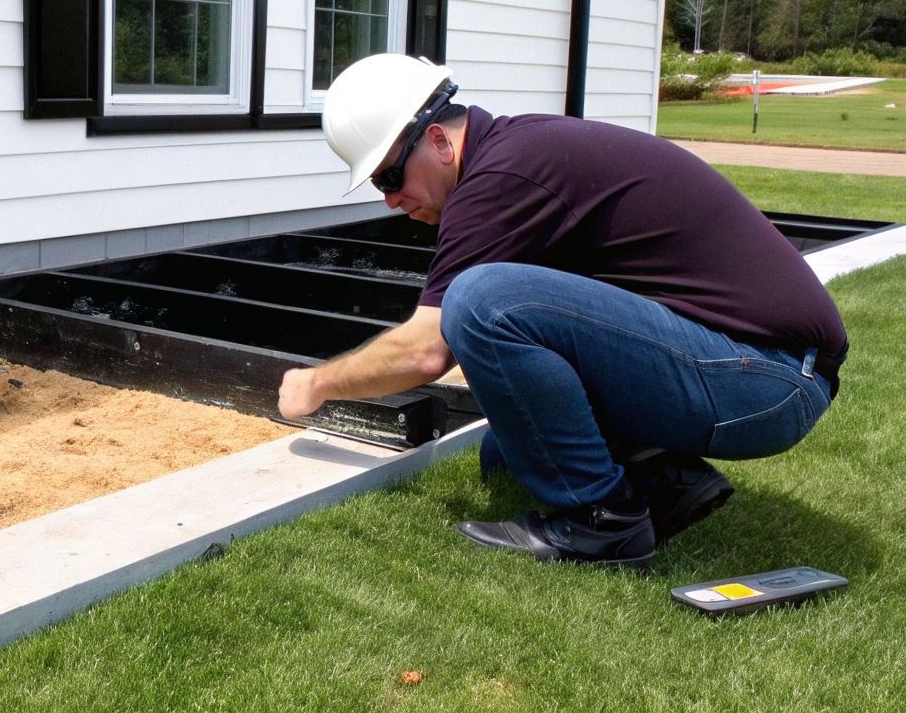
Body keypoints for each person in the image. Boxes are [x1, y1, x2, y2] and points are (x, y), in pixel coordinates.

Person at [278, 54, 847, 568]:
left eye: (390, 175)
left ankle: (603, 522)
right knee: (505, 453)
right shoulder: (521, 153)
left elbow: (428, 349)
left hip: (766, 381)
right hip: (758, 368)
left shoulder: (500, 180)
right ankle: (668, 481)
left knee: (479, 300)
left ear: (439, 141)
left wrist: (320, 383)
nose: (391, 199)